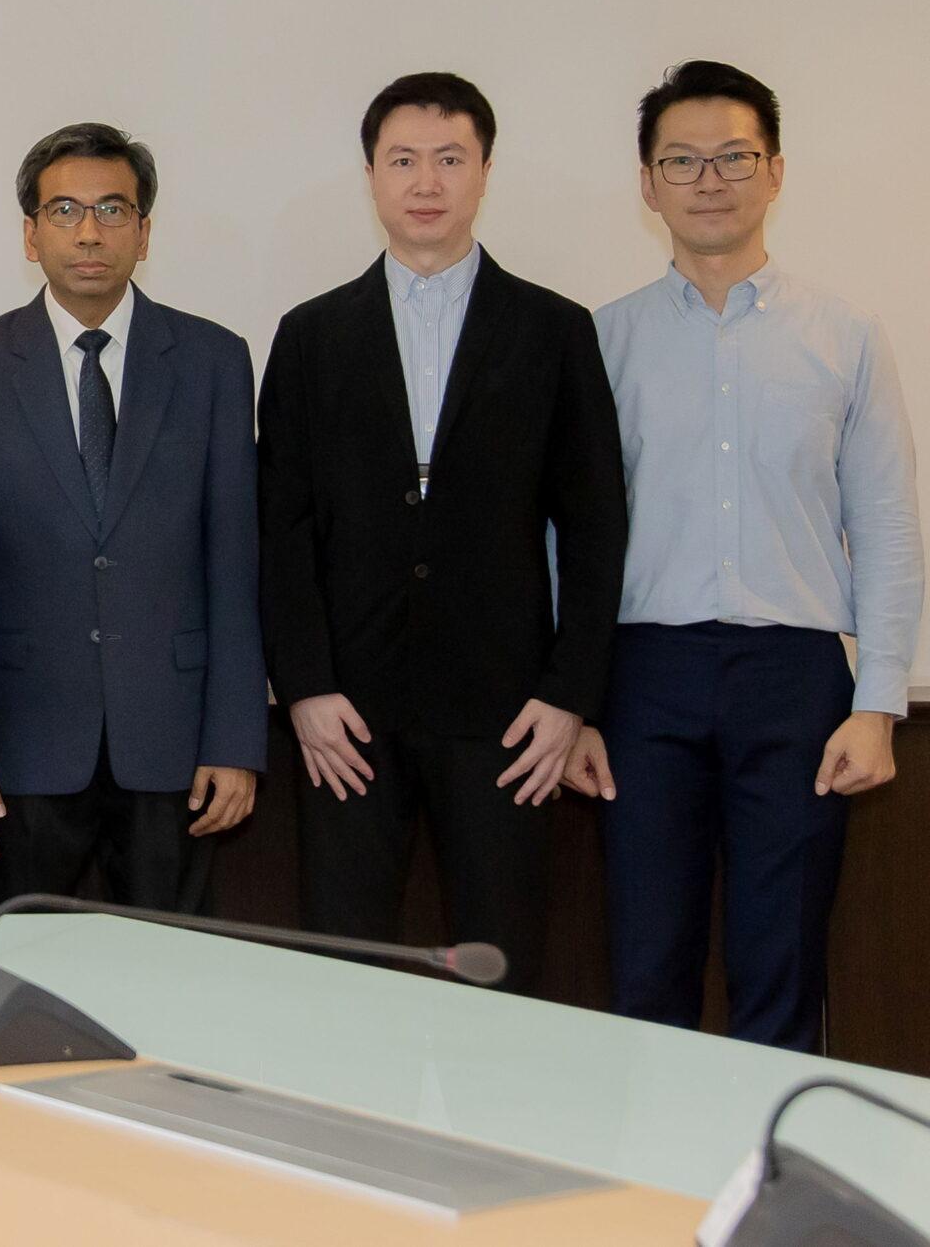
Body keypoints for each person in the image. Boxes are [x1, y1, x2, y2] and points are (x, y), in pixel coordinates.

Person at [258, 71, 626, 992]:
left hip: (509, 715)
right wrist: (304, 685)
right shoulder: (310, 336)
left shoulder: (554, 329)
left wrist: (569, 694)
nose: (427, 182)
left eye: (451, 159)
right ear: (371, 177)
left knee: (505, 973)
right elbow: (282, 529)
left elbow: (595, 526)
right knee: (344, 972)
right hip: (346, 716)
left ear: (486, 172)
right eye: (404, 160)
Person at [584, 61, 921, 1050]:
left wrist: (878, 703)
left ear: (774, 170)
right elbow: (568, 534)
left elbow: (887, 523)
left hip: (796, 677)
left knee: (783, 965)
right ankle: (651, 1151)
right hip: (643, 675)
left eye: (733, 157)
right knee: (647, 964)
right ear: (647, 184)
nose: (709, 180)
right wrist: (574, 700)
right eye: (680, 161)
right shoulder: (603, 340)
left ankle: (772, 1152)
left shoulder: (844, 334)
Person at [0, 123, 265, 914]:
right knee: (22, 968)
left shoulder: (214, 361)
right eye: (65, 211)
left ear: (144, 233)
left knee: (168, 970)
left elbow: (234, 562)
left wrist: (235, 740)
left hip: (174, 744)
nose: (89, 232)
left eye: (113, 210)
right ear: (31, 234)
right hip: (21, 746)